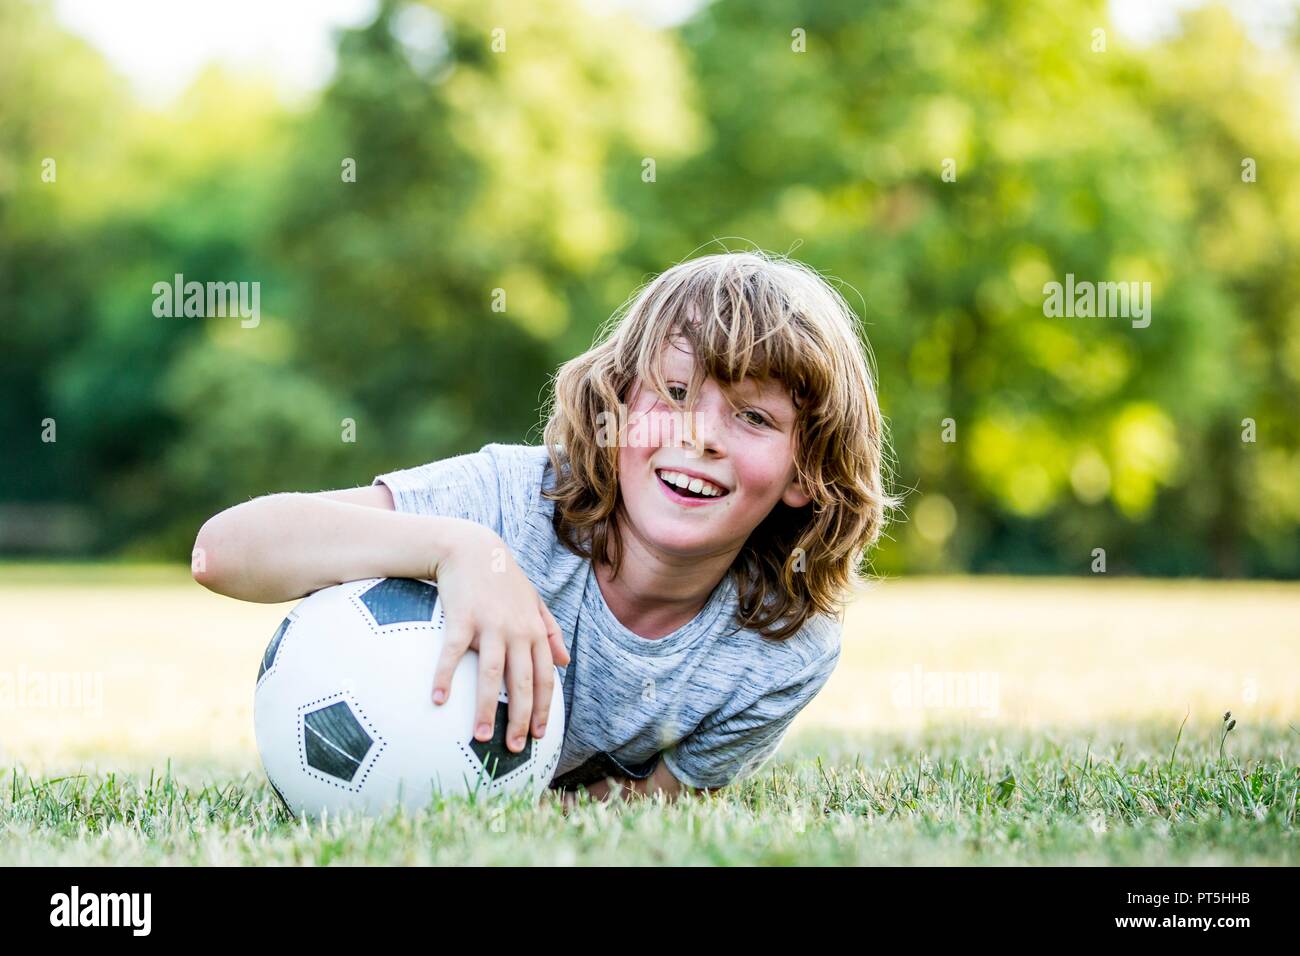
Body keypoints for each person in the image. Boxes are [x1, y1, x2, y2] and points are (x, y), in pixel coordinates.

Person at [194, 250, 898, 805]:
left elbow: (650, 802)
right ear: (617, 402)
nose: (700, 437)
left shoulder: (783, 646)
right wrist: (457, 549)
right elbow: (223, 552)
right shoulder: (513, 499)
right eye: (675, 393)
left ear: (806, 471)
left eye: (753, 417)